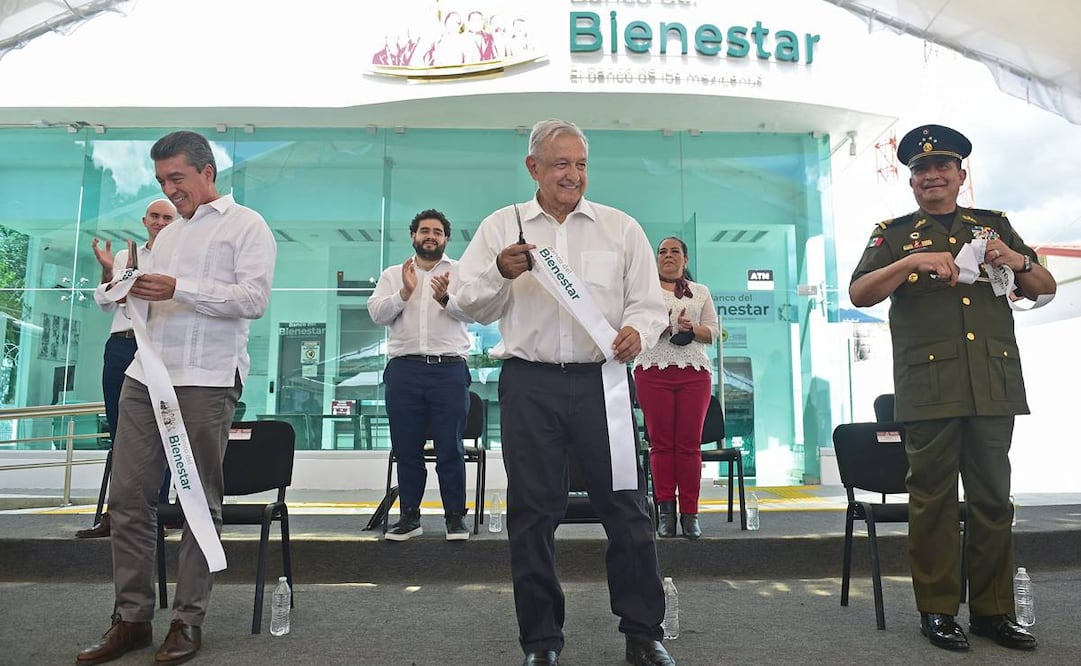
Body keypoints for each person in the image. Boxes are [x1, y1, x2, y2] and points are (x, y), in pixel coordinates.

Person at [455, 119, 675, 666]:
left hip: (603, 381)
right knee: (532, 512)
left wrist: (639, 333)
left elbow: (648, 304)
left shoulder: (620, 228)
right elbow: (464, 303)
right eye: (560, 164)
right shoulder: (501, 228)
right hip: (529, 383)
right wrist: (499, 275)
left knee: (626, 506)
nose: (572, 175)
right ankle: (541, 642)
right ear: (533, 168)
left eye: (580, 164)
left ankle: (644, 633)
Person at [850, 124, 1055, 653]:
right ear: (911, 182)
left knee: (993, 501)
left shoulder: (994, 226)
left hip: (991, 383)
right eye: (920, 170)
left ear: (961, 175)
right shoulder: (893, 233)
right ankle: (938, 611)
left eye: (942, 167)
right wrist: (911, 261)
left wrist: (1017, 260)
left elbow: (1043, 288)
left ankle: (993, 611)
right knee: (933, 501)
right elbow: (859, 293)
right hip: (929, 387)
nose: (931, 176)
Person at [76, 130, 277, 665]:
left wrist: (178, 289)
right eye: (162, 180)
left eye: (177, 179)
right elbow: (145, 304)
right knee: (126, 499)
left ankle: (188, 620)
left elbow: (254, 300)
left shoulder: (247, 225)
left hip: (207, 378)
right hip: (146, 376)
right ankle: (133, 619)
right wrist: (124, 288)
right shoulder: (164, 237)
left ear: (208, 173)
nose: (170, 190)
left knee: (196, 500)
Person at [367, 209, 474, 542]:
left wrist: (445, 298)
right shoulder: (393, 274)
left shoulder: (461, 273)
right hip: (404, 370)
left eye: (438, 231)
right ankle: (410, 517)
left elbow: (475, 312)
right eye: (424, 230)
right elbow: (376, 314)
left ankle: (455, 518)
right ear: (413, 235)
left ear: (446, 239)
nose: (431, 236)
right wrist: (404, 293)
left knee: (450, 448)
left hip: (450, 369)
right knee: (406, 447)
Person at [77, 199, 177, 539]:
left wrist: (127, 289)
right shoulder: (125, 257)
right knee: (121, 434)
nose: (161, 222)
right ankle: (117, 516)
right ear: (145, 220)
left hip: (158, 348)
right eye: (156, 216)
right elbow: (107, 301)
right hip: (122, 345)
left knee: (162, 433)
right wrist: (110, 274)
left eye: (168, 217)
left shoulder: (180, 259)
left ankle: (157, 513)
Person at [633, 237, 718, 540]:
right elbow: (633, 326)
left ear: (686, 259)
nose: (668, 256)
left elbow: (714, 333)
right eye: (662, 252)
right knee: (661, 443)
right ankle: (665, 513)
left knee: (689, 444)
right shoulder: (642, 291)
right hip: (652, 370)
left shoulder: (701, 292)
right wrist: (663, 326)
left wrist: (691, 329)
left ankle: (691, 514)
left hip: (694, 373)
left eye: (675, 252)